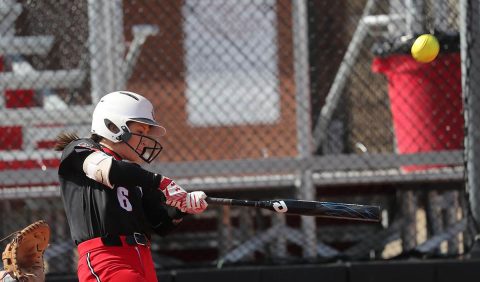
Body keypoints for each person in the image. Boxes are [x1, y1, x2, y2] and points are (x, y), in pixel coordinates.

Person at [54, 91, 208, 282]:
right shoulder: (80, 149)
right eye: (140, 132)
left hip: (142, 259)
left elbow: (159, 224)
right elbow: (109, 170)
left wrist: (181, 209)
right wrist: (161, 182)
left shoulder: (137, 176)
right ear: (112, 126)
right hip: (108, 258)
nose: (146, 140)